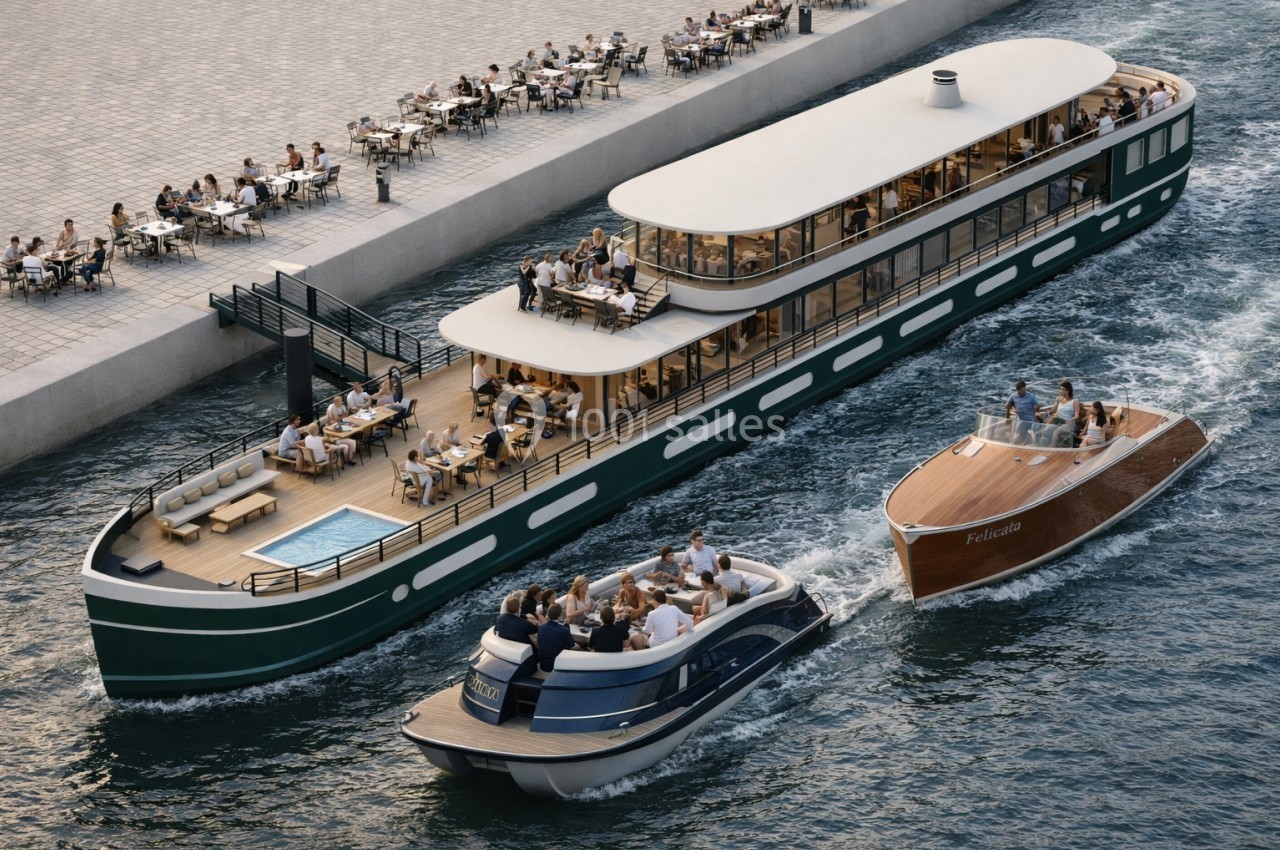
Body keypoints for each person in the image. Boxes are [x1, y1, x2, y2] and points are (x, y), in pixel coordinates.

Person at [535, 603, 578, 671]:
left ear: (548, 614)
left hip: (544, 665)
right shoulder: (564, 630)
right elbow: (572, 647)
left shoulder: (540, 628)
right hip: (558, 666)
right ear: (560, 615)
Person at [1043, 380, 1083, 446]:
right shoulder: (1058, 399)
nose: (1061, 391)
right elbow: (1053, 410)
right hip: (1058, 420)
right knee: (1044, 429)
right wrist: (1047, 413)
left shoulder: (1074, 401)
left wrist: (1068, 421)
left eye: (1063, 389)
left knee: (1057, 431)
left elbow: (1077, 416)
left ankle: (1052, 447)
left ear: (1068, 390)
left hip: (1069, 423)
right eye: (1060, 389)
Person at [1005, 380, 1041, 444]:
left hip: (1031, 418)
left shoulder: (1031, 396)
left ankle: (1036, 443)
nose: (1024, 391)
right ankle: (1024, 441)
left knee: (1035, 429)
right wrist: (1007, 406)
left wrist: (1036, 407)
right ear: (1018, 390)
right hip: (1020, 418)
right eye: (1022, 389)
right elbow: (1007, 405)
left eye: (1024, 389)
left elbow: (1038, 405)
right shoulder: (1013, 396)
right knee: (1019, 431)